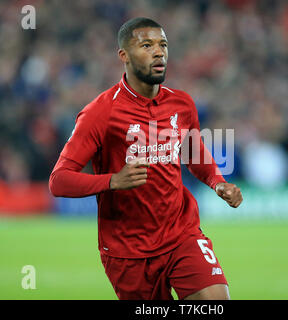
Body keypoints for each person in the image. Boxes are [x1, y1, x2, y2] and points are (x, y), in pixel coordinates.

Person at [49, 17, 243, 300]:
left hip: (181, 234)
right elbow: (59, 181)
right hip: (127, 251)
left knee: (215, 301)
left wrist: (217, 183)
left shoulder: (182, 104)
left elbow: (195, 155)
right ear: (123, 56)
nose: (159, 52)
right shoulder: (100, 113)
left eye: (163, 44)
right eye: (147, 45)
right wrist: (113, 181)